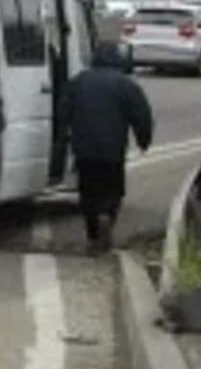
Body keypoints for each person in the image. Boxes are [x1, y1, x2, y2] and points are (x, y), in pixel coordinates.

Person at [64, 41, 155, 255]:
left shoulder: (78, 82)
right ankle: (107, 215)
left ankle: (93, 236)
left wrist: (63, 139)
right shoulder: (126, 85)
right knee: (113, 189)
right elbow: (142, 117)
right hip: (112, 150)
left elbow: (63, 112)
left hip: (84, 149)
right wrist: (144, 140)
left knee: (87, 193)